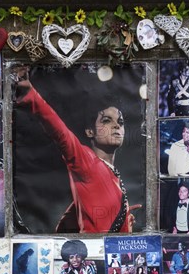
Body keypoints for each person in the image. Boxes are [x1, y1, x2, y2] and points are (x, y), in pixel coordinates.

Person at [14, 68, 141, 233]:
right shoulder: (87, 161)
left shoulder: (111, 173)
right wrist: (31, 96)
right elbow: (61, 134)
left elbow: (65, 225)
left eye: (121, 122)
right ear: (90, 131)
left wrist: (122, 217)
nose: (117, 126)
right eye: (107, 121)